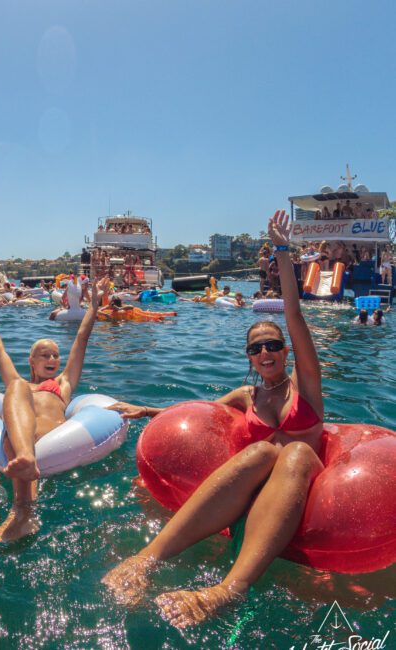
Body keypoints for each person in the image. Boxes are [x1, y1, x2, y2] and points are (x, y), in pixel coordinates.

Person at [103, 211, 325, 628]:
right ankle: (146, 560)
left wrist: (281, 251)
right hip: (260, 481)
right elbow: (202, 413)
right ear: (249, 358)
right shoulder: (247, 396)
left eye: (274, 345)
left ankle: (226, 591)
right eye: (257, 348)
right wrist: (147, 411)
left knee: (291, 452)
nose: (266, 353)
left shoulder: (305, 384)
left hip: (305, 478)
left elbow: (295, 316)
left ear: (286, 350)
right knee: (261, 451)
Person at [0, 276, 110, 542]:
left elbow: (81, 340)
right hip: (22, 441)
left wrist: (93, 304)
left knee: (16, 389)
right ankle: (23, 513)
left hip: (49, 441)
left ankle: (21, 508)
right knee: (15, 386)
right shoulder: (20, 385)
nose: (52, 359)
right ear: (31, 361)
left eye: (56, 355)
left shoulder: (63, 384)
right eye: (45, 355)